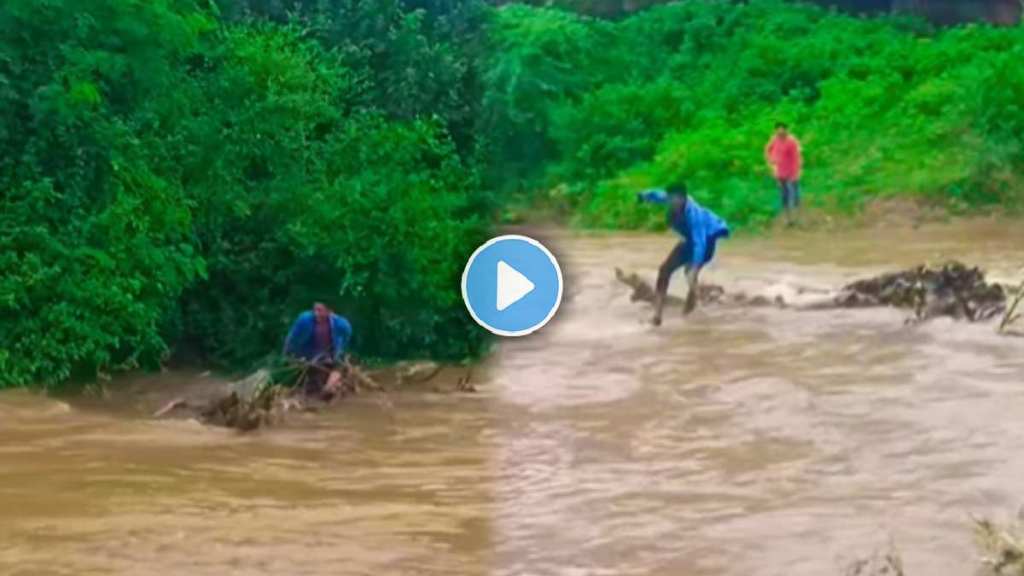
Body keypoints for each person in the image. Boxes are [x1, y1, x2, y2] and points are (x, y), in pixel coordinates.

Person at [637, 184, 730, 326]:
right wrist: (644, 195)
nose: (671, 203)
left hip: (707, 239)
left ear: (683, 199)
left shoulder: (694, 214)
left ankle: (696, 312)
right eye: (669, 199)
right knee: (664, 270)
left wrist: (694, 266)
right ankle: (657, 316)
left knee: (690, 275)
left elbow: (700, 243)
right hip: (689, 240)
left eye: (674, 200)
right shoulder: (669, 199)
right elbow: (657, 195)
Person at [283, 302, 353, 398]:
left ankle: (328, 388)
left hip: (330, 355)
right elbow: (292, 338)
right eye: (314, 310)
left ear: (329, 312)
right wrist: (288, 354)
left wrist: (339, 350)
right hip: (309, 355)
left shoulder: (340, 324)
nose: (316, 313)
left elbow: (347, 334)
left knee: (339, 366)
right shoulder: (304, 320)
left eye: (320, 310)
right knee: (313, 373)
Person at [764, 122, 803, 225]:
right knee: (784, 196)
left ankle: (797, 218)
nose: (780, 132)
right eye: (778, 130)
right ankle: (788, 219)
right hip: (780, 173)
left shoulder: (791, 141)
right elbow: (767, 150)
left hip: (792, 172)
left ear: (786, 130)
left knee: (795, 195)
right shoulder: (774, 139)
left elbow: (797, 157)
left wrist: (796, 172)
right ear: (776, 130)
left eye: (782, 130)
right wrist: (771, 161)